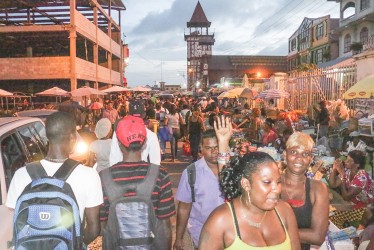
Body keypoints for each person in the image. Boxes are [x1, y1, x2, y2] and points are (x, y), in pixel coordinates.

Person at [6, 111, 103, 245]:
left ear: (46, 136)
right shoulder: (89, 176)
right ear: (73, 137)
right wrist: (76, 244)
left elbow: (12, 225)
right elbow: (94, 229)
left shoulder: (20, 175)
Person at [99, 115, 176, 249]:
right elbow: (165, 227)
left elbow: (103, 225)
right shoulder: (160, 175)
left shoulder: (104, 177)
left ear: (118, 142)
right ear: (144, 141)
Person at [199, 151, 301, 249]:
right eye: (267, 182)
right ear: (246, 184)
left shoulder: (284, 211)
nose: (277, 189)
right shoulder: (220, 221)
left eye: (278, 182)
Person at [174, 129, 226, 249]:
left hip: (229, 234)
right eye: (208, 148)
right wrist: (179, 238)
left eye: (217, 147)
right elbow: (184, 208)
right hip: (201, 234)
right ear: (201, 148)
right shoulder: (191, 173)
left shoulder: (232, 171)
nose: (214, 152)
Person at [281, 132, 329, 250]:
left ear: (310, 159)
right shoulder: (271, 183)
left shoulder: (318, 189)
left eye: (305, 154)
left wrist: (274, 231)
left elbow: (317, 237)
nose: (299, 158)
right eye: (293, 152)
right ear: (284, 155)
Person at [109, 100, 161, 166]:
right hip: (142, 173)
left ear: (128, 114)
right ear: (144, 115)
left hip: (121, 173)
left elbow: (113, 159)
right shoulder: (152, 135)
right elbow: (155, 163)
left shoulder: (117, 133)